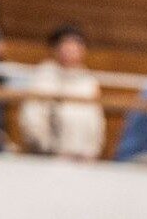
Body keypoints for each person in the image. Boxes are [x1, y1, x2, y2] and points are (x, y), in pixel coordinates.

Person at [18, 25, 106, 160]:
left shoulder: (88, 81)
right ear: (56, 48)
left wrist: (92, 151)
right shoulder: (43, 77)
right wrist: (48, 149)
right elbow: (32, 118)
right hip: (51, 157)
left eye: (76, 46)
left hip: (83, 158)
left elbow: (96, 121)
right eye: (66, 45)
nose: (71, 50)